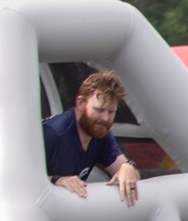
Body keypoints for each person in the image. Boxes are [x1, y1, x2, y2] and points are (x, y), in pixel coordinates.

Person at [44, 70, 139, 206]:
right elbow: (16, 180)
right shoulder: (53, 132)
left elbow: (128, 169)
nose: (105, 118)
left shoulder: (100, 133)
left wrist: (128, 168)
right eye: (99, 110)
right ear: (80, 103)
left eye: (111, 112)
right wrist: (57, 180)